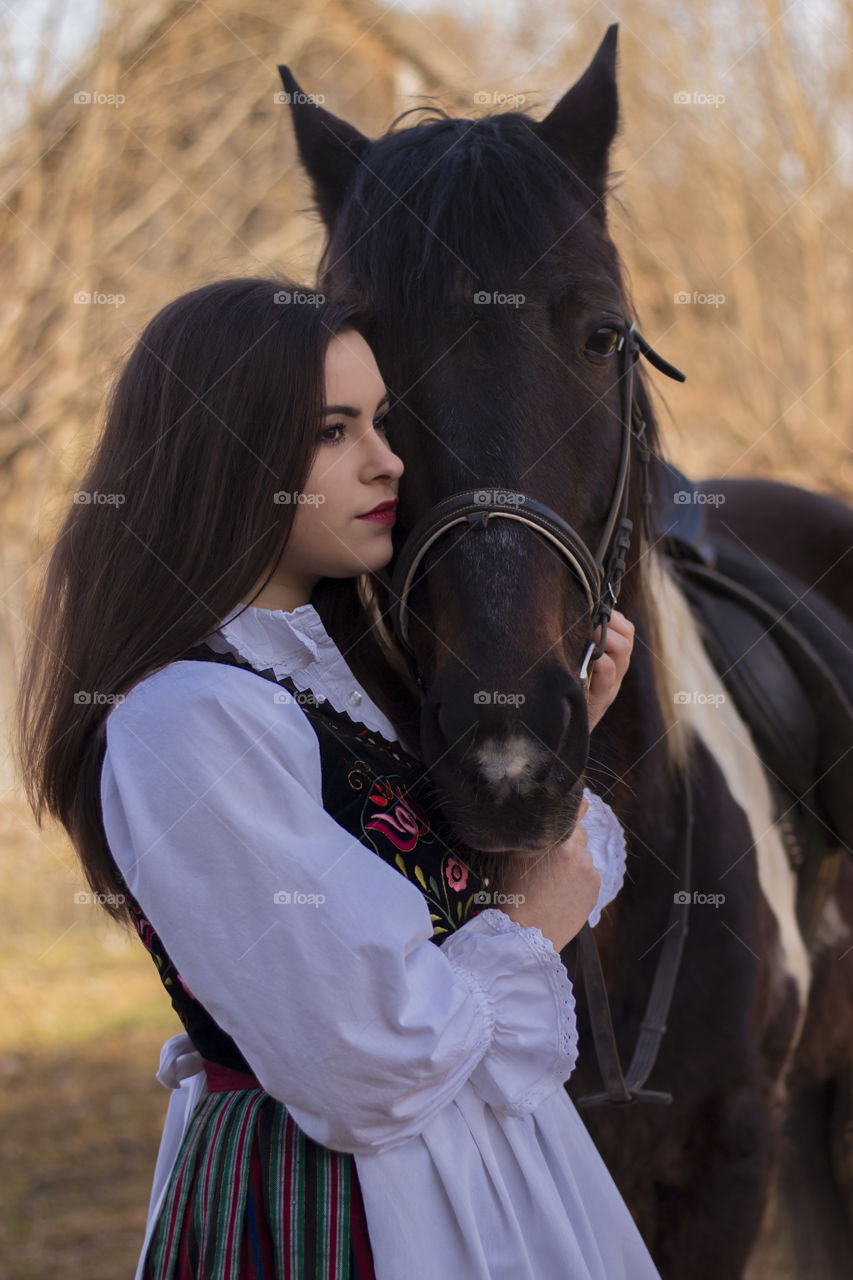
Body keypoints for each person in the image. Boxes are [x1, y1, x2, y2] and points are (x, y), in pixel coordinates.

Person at [14, 275, 659, 1280]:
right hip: (337, 1207)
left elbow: (447, 917)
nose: (387, 459)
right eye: (332, 430)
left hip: (473, 1173)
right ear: (222, 451)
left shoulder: (343, 677)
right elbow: (365, 1060)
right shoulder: (186, 717)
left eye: (384, 421)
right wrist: (534, 924)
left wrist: (556, 753)